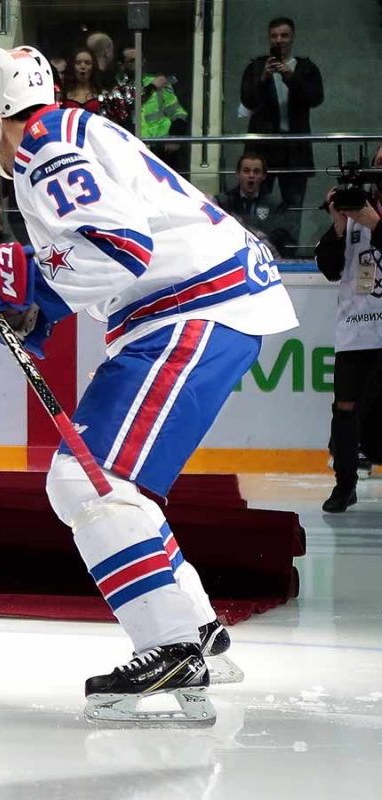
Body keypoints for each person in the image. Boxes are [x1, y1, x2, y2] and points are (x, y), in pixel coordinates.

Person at [0, 46, 298, 724]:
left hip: (193, 308)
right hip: (193, 307)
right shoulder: (70, 132)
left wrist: (11, 277)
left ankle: (168, 646)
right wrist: (35, 304)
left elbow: (118, 249)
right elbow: (108, 255)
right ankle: (194, 630)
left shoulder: (45, 148)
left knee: (89, 481)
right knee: (106, 483)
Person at [313, 144, 382, 513]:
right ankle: (344, 483)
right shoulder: (354, 213)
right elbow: (329, 268)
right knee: (345, 407)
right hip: (357, 329)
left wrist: (375, 225)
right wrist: (339, 226)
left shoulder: (369, 217)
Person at [238, 17, 324, 209]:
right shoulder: (256, 68)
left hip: (295, 149)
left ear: (293, 37)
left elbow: (316, 99)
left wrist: (291, 78)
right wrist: (263, 78)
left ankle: (290, 241)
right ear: (269, 39)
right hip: (262, 150)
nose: (279, 40)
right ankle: (256, 239)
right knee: (257, 204)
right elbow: (248, 100)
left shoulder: (306, 68)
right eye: (274, 36)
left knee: (293, 205)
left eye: (284, 35)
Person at [216, 153, 293, 258]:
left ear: (264, 176)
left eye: (256, 172)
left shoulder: (276, 204)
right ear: (238, 174)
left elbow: (282, 236)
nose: (251, 176)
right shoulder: (223, 202)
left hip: (264, 258)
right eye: (246, 171)